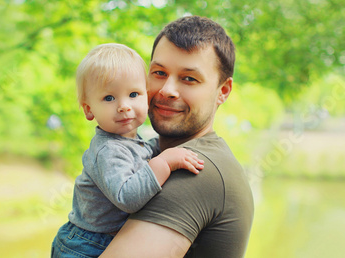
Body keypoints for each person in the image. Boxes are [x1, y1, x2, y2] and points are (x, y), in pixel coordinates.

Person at [101, 16, 255, 257]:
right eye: (159, 73)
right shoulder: (146, 150)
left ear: (222, 91)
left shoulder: (196, 170)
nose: (167, 90)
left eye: (189, 79)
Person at [51, 43, 205, 257]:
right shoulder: (108, 150)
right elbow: (127, 198)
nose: (124, 105)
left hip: (105, 238)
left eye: (134, 94)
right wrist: (164, 162)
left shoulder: (131, 141)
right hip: (86, 245)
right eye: (109, 98)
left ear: (147, 96)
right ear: (89, 110)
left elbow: (141, 153)